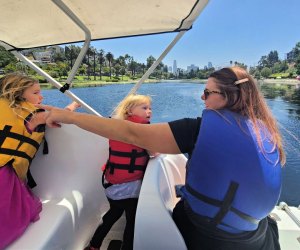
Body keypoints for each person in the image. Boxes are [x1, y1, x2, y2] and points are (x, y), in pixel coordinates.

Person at [42, 66, 284, 250]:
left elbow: (130, 132)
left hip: (208, 235)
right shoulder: (265, 130)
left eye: (207, 92)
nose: (202, 98)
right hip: (256, 233)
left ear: (229, 96)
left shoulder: (197, 130)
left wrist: (69, 116)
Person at [0, 73, 79, 249]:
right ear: (19, 94)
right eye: (36, 93)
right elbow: (59, 115)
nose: (41, 97)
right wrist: (74, 104)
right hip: (3, 176)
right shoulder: (33, 114)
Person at [85, 94, 153, 250]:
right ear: (129, 111)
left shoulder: (116, 126)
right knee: (131, 221)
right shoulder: (141, 130)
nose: (149, 111)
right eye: (144, 108)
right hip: (130, 189)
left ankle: (94, 245)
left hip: (112, 185)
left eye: (150, 108)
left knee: (112, 215)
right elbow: (154, 152)